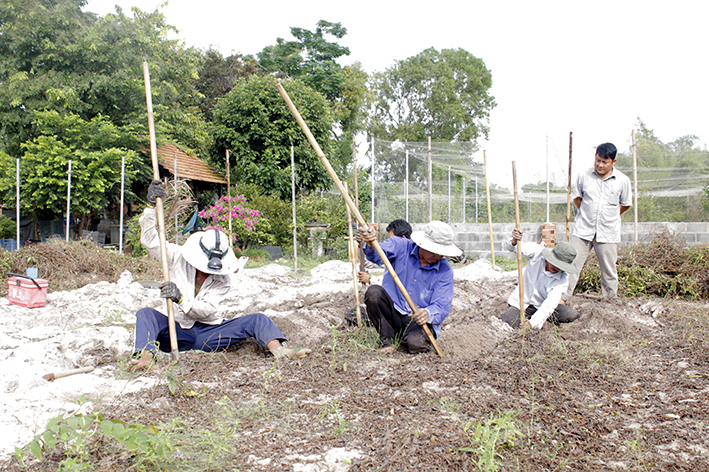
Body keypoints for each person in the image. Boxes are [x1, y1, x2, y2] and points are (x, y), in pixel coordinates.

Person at [130, 180, 311, 370]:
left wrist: (180, 298)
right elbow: (149, 240)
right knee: (146, 315)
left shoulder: (223, 278)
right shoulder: (177, 257)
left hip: (208, 334)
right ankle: (146, 359)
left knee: (258, 319)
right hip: (176, 330)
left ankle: (280, 351)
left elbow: (205, 311)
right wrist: (151, 207)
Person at [357, 220, 461, 353]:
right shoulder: (400, 245)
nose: (438, 256)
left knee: (417, 345)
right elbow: (377, 254)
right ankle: (387, 339)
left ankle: (405, 338)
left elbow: (442, 305)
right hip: (393, 311)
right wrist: (371, 244)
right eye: (434, 251)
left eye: (441, 253)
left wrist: (427, 313)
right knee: (374, 293)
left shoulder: (444, 270)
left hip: (416, 321)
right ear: (423, 244)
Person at [563, 143, 632, 302]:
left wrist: (610, 215)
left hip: (608, 232)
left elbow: (626, 204)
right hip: (582, 230)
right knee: (570, 265)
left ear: (613, 162)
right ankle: (562, 298)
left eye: (605, 162)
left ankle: (610, 300)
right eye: (598, 160)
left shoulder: (623, 181)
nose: (600, 165)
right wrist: (588, 214)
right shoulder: (584, 176)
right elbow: (577, 198)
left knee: (609, 269)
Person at [501, 229, 580, 329]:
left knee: (572, 316)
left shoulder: (562, 279)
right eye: (555, 263)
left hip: (541, 305)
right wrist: (514, 241)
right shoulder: (537, 252)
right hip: (521, 303)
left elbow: (549, 304)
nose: (557, 268)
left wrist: (531, 323)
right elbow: (514, 248)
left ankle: (543, 319)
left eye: (560, 266)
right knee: (506, 322)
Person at [357, 219, 412, 285]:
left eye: (391, 240)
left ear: (403, 238)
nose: (389, 243)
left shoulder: (408, 256)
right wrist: (364, 244)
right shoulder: (395, 258)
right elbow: (370, 263)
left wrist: (371, 279)